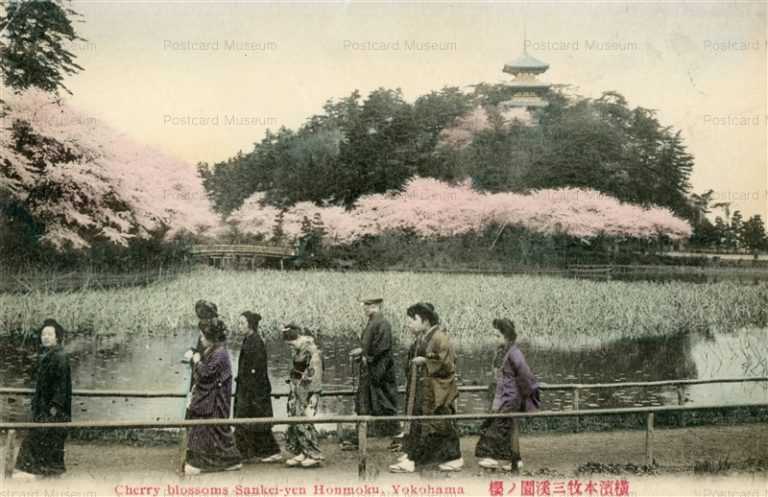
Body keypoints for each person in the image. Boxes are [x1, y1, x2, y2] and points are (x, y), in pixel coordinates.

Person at [389, 303, 463, 473]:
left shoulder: (439, 338)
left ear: (426, 321)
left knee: (439, 424)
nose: (409, 324)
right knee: (424, 424)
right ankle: (416, 456)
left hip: (437, 390)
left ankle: (450, 458)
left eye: (413, 320)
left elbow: (447, 365)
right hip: (425, 388)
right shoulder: (424, 337)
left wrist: (426, 362)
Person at [475, 318, 540, 472]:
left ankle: (490, 457)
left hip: (510, 398)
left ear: (507, 337)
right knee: (509, 429)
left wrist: (528, 396)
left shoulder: (514, 353)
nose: (494, 339)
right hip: (501, 396)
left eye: (497, 336)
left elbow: (525, 374)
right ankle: (515, 460)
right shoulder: (501, 351)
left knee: (496, 426)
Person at [12, 319, 72, 480]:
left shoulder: (60, 357)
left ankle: (45, 476)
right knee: (44, 442)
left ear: (57, 337)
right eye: (43, 334)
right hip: (43, 409)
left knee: (43, 440)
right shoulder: (49, 355)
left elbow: (62, 386)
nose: (45, 337)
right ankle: (49, 475)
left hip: (53, 411)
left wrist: (54, 408)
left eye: (49, 334)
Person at [184, 318, 242, 475]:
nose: (201, 340)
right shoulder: (214, 350)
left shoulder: (220, 353)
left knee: (214, 429)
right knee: (207, 430)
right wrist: (195, 359)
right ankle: (208, 460)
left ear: (210, 338)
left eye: (202, 337)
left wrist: (196, 361)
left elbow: (205, 375)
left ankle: (221, 462)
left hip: (216, 400)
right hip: (210, 397)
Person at [347, 297, 399, 445]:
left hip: (379, 372)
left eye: (367, 306)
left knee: (385, 404)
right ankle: (360, 437)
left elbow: (382, 348)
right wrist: (362, 353)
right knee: (364, 402)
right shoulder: (373, 322)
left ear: (375, 306)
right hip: (370, 370)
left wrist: (365, 356)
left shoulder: (382, 323)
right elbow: (371, 347)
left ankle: (398, 437)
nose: (364, 308)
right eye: (365, 306)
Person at [234, 311, 282, 463]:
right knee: (248, 420)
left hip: (255, 390)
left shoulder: (255, 342)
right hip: (249, 388)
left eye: (242, 323)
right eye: (239, 323)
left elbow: (256, 369)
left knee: (257, 421)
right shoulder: (249, 340)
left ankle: (270, 452)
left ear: (251, 325)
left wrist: (248, 388)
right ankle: (247, 452)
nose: (239, 326)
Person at [282, 323, 324, 468]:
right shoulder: (298, 349)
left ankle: (314, 453)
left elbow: (315, 374)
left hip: (307, 391)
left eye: (292, 344)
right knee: (295, 420)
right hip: (297, 389)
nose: (291, 347)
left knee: (305, 421)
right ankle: (301, 450)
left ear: (298, 339)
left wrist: (315, 394)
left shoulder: (312, 351)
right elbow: (295, 368)